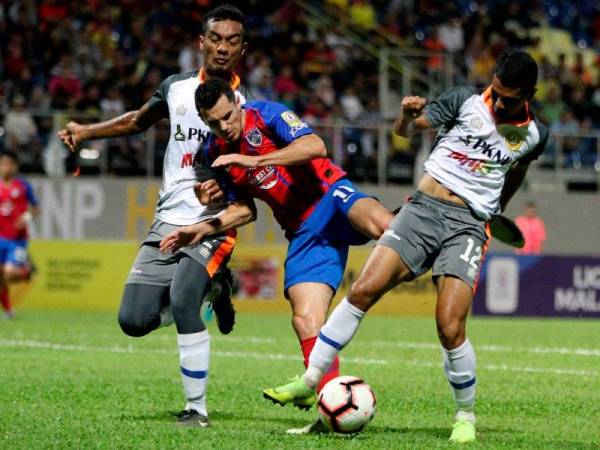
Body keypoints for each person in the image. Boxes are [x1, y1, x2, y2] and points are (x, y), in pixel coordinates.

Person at [263, 49, 549, 442]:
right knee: (363, 289)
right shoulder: (464, 100)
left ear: (530, 93)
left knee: (450, 327)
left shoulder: (535, 135)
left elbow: (514, 173)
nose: (498, 102)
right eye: (495, 92)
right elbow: (406, 131)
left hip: (466, 226)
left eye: (509, 99)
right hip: (422, 210)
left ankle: (465, 416)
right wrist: (406, 113)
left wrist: (494, 212)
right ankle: (310, 379)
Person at [57, 5, 255, 427]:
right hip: (167, 217)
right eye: (216, 39)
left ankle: (196, 409)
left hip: (210, 222)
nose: (223, 48)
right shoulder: (175, 88)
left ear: (242, 48)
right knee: (133, 321)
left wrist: (228, 183)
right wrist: (87, 131)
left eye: (232, 41)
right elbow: (137, 121)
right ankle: (216, 290)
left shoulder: (247, 107)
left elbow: (253, 171)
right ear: (201, 43)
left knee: (183, 299)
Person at [158, 77, 394, 431]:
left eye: (227, 116)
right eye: (214, 123)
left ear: (236, 104)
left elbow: (316, 146)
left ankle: (427, 225)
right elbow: (244, 211)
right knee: (305, 319)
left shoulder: (266, 115)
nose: (224, 126)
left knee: (386, 230)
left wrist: (255, 161)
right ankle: (330, 406)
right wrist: (203, 228)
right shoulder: (212, 153)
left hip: (331, 195)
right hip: (303, 231)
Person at [0, 151, 40, 319]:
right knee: (0, 277)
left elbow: (36, 208)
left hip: (17, 240)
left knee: (9, 273)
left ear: (15, 166)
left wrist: (26, 218)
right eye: (2, 164)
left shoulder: (22, 186)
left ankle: (27, 271)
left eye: (8, 164)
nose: (5, 167)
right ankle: (8, 310)